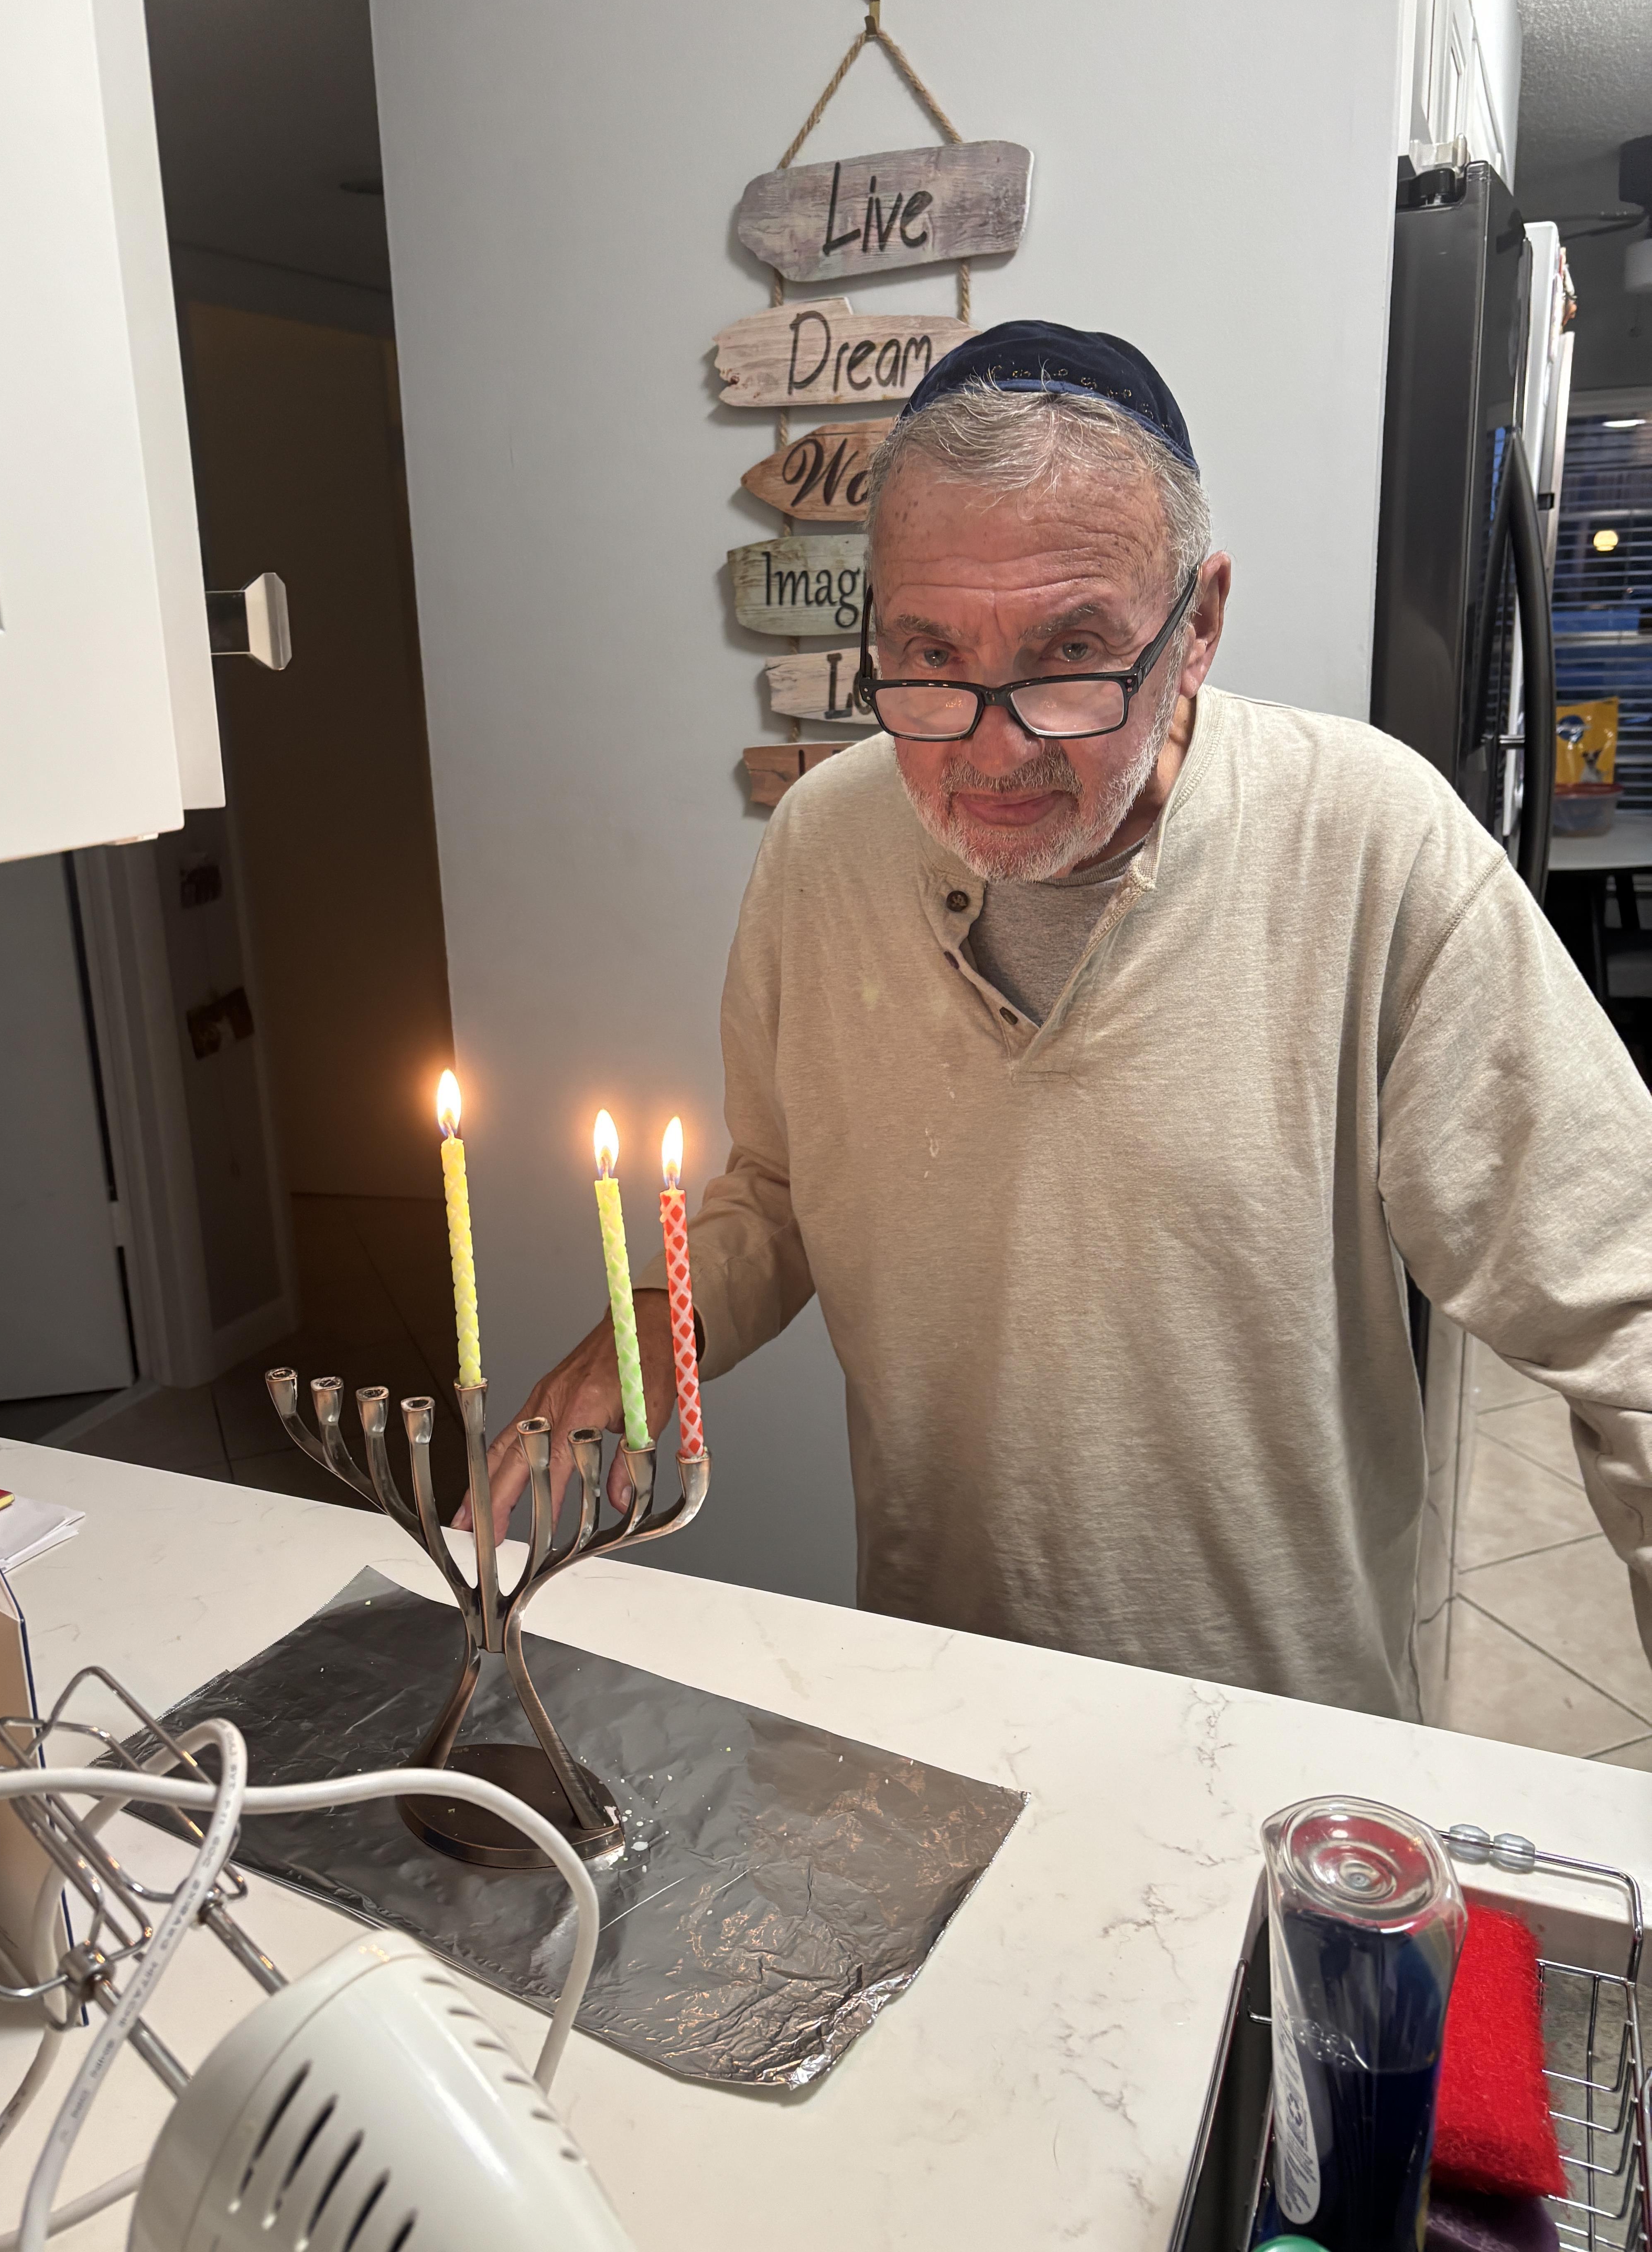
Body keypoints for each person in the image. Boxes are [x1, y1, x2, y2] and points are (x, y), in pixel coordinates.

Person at [477, 319, 1652, 1720]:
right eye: (926, 656)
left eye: (1069, 654)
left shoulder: (1369, 845)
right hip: (940, 1704)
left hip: (1278, 1737)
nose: (991, 744)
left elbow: (1627, 1313)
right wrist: (645, 1332)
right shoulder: (819, 847)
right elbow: (782, 1199)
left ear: (1196, 625)